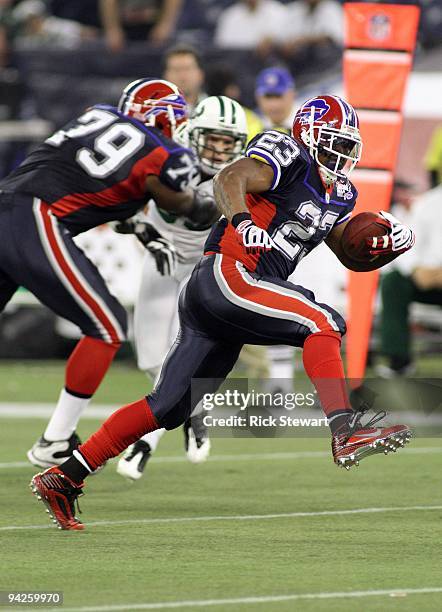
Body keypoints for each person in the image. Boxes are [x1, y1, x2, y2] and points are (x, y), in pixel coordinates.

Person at [30, 94, 415, 530]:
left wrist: (384, 245)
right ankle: (345, 429)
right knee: (323, 321)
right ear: (307, 135)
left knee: (169, 406)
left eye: (347, 147)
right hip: (231, 274)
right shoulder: (287, 155)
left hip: (226, 297)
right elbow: (230, 178)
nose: (339, 155)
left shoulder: (342, 193)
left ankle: (64, 477)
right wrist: (242, 222)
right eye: (332, 143)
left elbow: (349, 251)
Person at [0, 77, 216, 469]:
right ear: (166, 119)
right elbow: (177, 201)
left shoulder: (96, 115)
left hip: (8, 201)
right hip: (35, 216)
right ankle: (56, 439)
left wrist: (136, 220)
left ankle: (56, 439)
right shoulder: (164, 153)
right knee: (109, 326)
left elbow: (104, 186)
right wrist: (207, 206)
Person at [116, 95, 248, 480]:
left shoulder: (239, 177)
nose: (219, 149)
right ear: (192, 133)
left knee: (178, 358)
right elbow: (123, 206)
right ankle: (192, 407)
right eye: (213, 139)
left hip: (202, 271)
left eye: (228, 142)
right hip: (161, 260)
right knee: (149, 360)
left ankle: (145, 441)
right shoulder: (168, 158)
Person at [378, 184, 442, 377]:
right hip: (429, 279)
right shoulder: (429, 202)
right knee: (393, 281)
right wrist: (416, 270)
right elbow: (409, 244)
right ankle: (399, 359)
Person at [215, 0, 289, 56]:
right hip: (236, 59)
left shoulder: (278, 11)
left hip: (268, 58)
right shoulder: (229, 16)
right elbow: (222, 46)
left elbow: (286, 42)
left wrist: (273, 39)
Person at [163, 44, 206, 111]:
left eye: (187, 69)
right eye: (176, 70)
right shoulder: (154, 114)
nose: (182, 76)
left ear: (200, 74)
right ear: (166, 76)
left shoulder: (216, 109)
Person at [255, 67, 297, 134]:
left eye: (278, 96)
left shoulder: (307, 125)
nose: (274, 104)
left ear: (292, 95)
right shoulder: (252, 126)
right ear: (258, 98)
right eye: (268, 97)